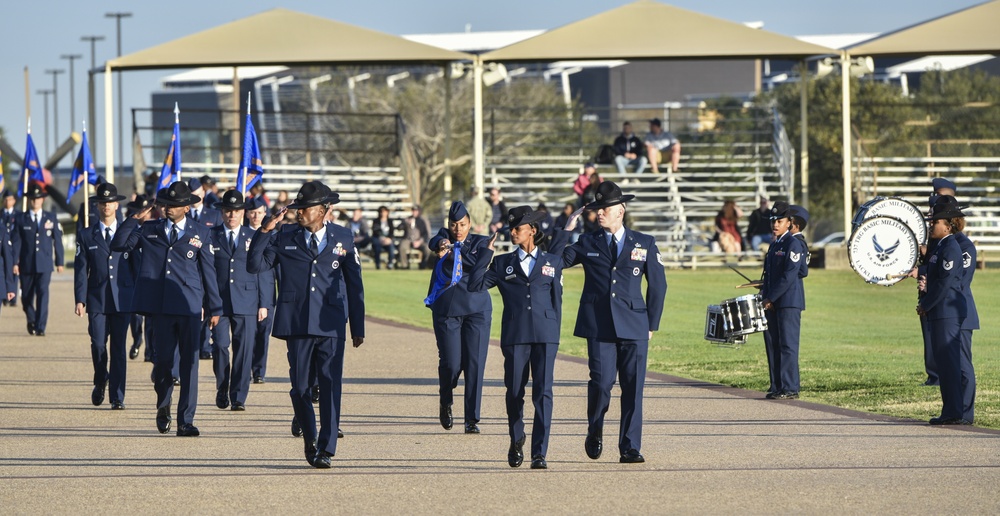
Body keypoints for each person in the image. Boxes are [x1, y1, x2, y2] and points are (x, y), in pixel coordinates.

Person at [248, 180, 365, 469]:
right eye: (298, 207)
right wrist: (265, 231)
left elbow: (355, 284)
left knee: (330, 385)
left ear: (324, 210)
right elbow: (255, 265)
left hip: (331, 323)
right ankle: (310, 439)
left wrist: (357, 326)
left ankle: (326, 447)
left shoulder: (344, 238)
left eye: (305, 208)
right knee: (300, 388)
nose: (298, 212)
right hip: (297, 322)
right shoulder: (285, 235)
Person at [558, 181, 667, 464]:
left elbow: (658, 285)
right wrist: (567, 229)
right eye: (596, 210)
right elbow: (555, 261)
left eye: (604, 209)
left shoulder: (644, 242)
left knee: (633, 388)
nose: (599, 214)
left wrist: (651, 324)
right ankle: (595, 429)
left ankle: (630, 446)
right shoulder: (586, 242)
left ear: (621, 210)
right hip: (599, 326)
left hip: (634, 325)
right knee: (602, 384)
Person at [111, 180, 223, 437]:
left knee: (190, 364)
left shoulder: (200, 233)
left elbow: (208, 272)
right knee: (162, 363)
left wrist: (215, 307)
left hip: (189, 306)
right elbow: (118, 245)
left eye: (173, 205)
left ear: (186, 207)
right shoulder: (149, 229)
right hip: (159, 307)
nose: (167, 209)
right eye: (164, 204)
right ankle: (163, 407)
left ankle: (186, 420)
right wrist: (133, 220)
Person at [467, 206, 569, 469]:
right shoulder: (502, 263)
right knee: (514, 391)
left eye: (517, 228)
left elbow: (557, 302)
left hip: (546, 335)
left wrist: (554, 332)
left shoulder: (553, 263)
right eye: (511, 228)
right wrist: (487, 253)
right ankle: (516, 438)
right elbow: (475, 284)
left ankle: (539, 452)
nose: (512, 232)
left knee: (543, 393)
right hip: (515, 336)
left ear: (532, 231)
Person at [426, 201, 493, 434]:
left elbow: (477, 265)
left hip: (477, 310)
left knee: (475, 364)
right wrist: (443, 243)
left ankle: (471, 419)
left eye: (462, 224)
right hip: (447, 310)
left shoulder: (481, 242)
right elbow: (433, 241)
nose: (458, 229)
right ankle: (446, 398)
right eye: (454, 224)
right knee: (451, 363)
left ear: (470, 224)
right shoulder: (442, 239)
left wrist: (457, 248)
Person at [73, 183, 133, 410]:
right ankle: (100, 380)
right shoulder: (87, 234)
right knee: (98, 344)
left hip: (122, 299)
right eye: (102, 202)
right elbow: (81, 269)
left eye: (110, 202)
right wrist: (80, 298)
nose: (106, 206)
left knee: (118, 348)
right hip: (97, 299)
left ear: (117, 205)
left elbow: (136, 268)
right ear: (97, 205)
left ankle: (117, 396)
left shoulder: (128, 233)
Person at [209, 190, 270, 411]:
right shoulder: (211, 235)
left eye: (235, 211)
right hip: (219, 302)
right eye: (227, 211)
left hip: (247, 300)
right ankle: (222, 387)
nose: (231, 215)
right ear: (222, 212)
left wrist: (264, 303)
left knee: (244, 351)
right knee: (221, 348)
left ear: (243, 212)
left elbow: (262, 271)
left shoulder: (253, 236)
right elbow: (204, 270)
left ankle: (238, 397)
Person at [917, 199, 970, 425]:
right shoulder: (941, 247)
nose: (931, 225)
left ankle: (953, 412)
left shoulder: (950, 248)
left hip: (947, 311)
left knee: (949, 365)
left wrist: (926, 304)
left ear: (948, 226)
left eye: (935, 221)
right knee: (945, 364)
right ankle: (951, 410)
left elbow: (944, 284)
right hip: (941, 311)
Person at [759, 201, 808, 400]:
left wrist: (771, 296)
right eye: (774, 221)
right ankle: (777, 385)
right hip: (772, 302)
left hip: (788, 302)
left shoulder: (793, 244)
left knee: (788, 345)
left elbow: (790, 275)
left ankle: (790, 387)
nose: (775, 224)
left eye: (780, 221)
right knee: (773, 344)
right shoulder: (775, 244)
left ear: (789, 223)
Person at [12, 183, 64, 336]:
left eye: (38, 198)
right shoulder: (21, 218)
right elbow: (16, 242)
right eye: (33, 198)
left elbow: (58, 240)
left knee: (43, 293)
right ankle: (31, 318)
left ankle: (41, 326)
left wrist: (59, 261)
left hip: (45, 264)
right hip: (26, 264)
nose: (36, 201)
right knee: (27, 297)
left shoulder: (51, 217)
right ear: (29, 200)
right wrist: (15, 262)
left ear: (42, 200)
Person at [244, 196, 276, 384]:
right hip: (245, 293)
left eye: (259, 213)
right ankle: (245, 368)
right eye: (253, 212)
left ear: (265, 214)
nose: (256, 216)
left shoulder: (272, 237)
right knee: (248, 336)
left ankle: (259, 371)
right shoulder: (242, 235)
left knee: (263, 334)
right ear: (247, 214)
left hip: (267, 292)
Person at [125, 195, 155, 362]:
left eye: (147, 212)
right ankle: (137, 340)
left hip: (151, 284)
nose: (144, 216)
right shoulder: (130, 232)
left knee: (151, 320)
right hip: (135, 282)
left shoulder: (155, 230)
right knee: (135, 318)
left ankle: (150, 350)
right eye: (141, 212)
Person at [399, 205, 431, 270]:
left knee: (427, 249)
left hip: (419, 240)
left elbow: (426, 234)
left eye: (416, 211)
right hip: (408, 239)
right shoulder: (407, 219)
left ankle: (423, 265)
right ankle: (404, 265)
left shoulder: (422, 221)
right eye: (413, 211)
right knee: (402, 246)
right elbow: (399, 227)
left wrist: (419, 241)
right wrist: (406, 223)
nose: (414, 212)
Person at [1, 189, 18, 309]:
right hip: (5, 249)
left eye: (10, 199)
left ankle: (12, 297)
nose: (7, 202)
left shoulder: (18, 216)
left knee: (13, 271)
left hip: (13, 249)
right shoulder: (1, 214)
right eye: (5, 199)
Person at [370, 206, 398, 270]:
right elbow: (375, 231)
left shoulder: (390, 221)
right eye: (381, 212)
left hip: (387, 240)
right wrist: (381, 238)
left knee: (391, 247)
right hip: (378, 239)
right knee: (377, 247)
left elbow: (392, 232)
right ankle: (378, 264)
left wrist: (389, 239)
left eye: (385, 212)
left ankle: (390, 263)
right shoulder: (376, 221)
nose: (383, 213)